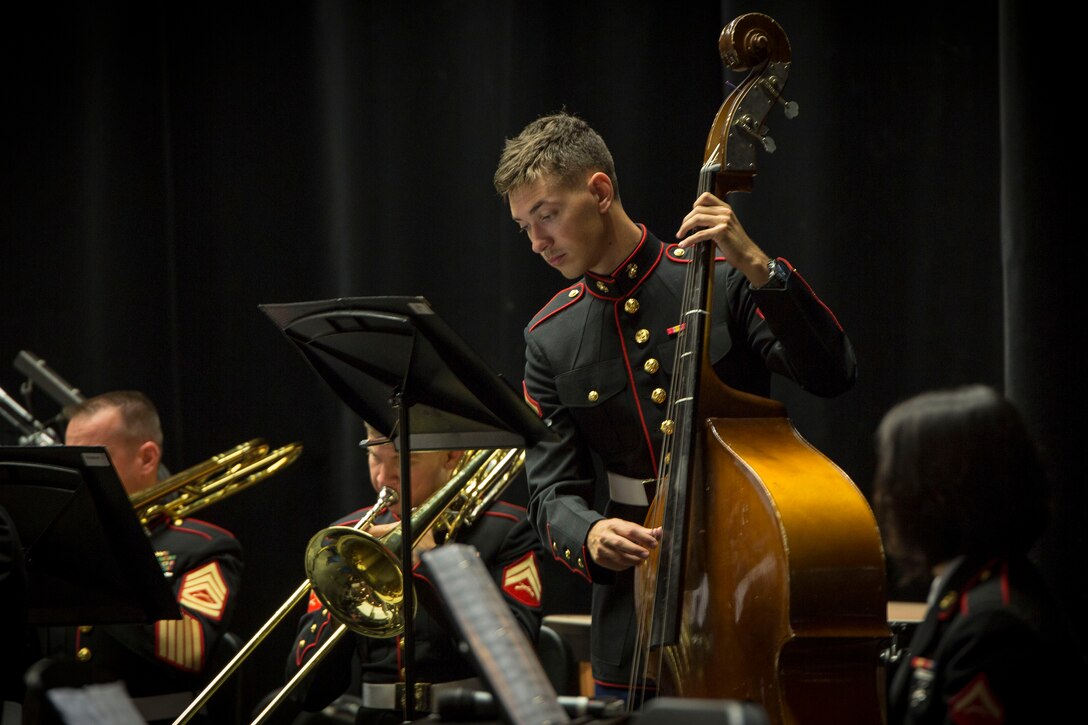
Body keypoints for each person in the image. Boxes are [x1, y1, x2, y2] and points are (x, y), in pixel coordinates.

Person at [492, 110, 858, 700]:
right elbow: (550, 492)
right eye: (524, 227)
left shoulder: (720, 279)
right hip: (635, 606)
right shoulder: (550, 336)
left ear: (601, 191)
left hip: (743, 571)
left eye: (547, 216)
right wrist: (589, 535)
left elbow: (832, 373)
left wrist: (758, 266)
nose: (537, 243)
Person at [282, 423, 545, 725]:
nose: (383, 478)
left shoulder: (507, 530)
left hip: (467, 717)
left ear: (452, 456)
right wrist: (343, 584)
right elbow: (307, 692)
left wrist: (433, 564)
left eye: (402, 461)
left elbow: (517, 667)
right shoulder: (346, 536)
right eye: (374, 458)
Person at [875, 384, 1084, 724]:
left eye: (894, 478)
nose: (885, 497)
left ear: (935, 495)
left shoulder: (992, 626)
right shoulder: (972, 593)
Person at [36, 390, 243, 724]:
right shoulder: (61, 538)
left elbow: (189, 649)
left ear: (147, 458)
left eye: (89, 458)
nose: (74, 474)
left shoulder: (203, 545)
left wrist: (105, 567)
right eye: (67, 457)